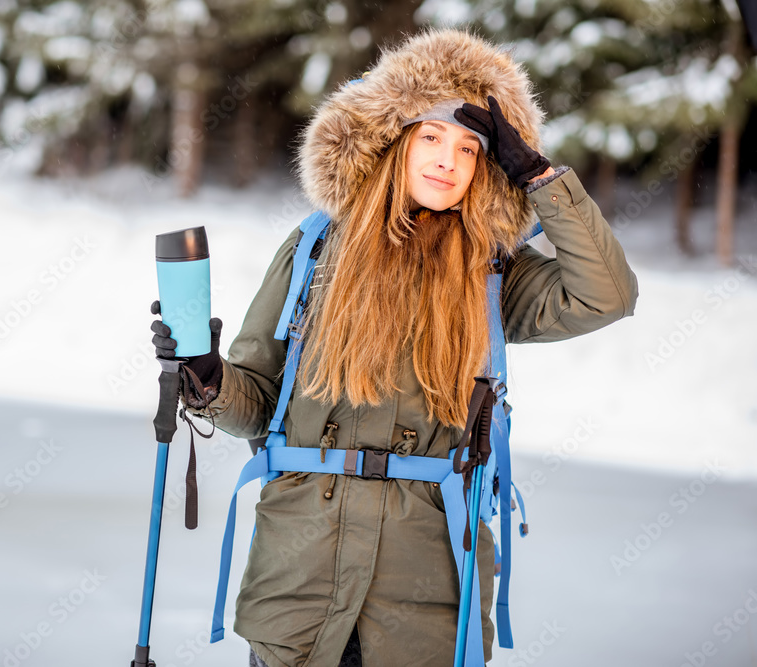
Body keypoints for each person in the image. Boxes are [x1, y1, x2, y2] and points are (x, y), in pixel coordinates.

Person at [151, 28, 638, 667]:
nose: (448, 160)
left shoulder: (495, 274)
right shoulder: (314, 254)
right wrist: (208, 378)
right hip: (301, 589)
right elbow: (259, 402)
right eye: (430, 137)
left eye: (471, 148)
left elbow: (608, 294)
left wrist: (540, 178)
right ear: (393, 143)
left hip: (426, 600)